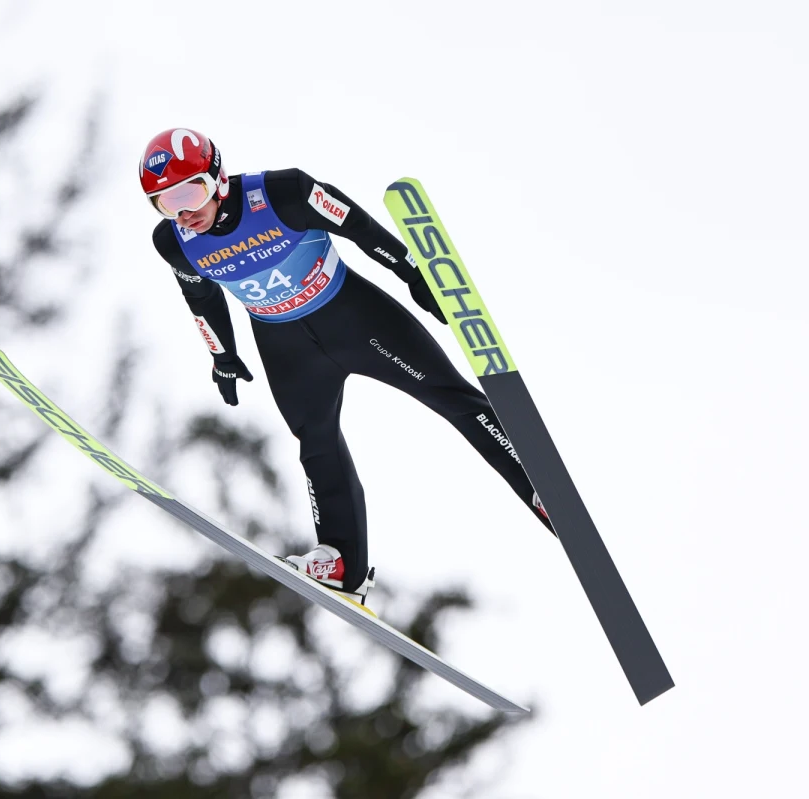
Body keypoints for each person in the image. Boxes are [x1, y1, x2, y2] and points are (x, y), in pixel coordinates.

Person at [142, 127, 551, 607]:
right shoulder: (175, 242)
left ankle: (538, 485)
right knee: (315, 444)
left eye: (191, 192)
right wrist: (222, 355)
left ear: (218, 178)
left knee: (449, 396)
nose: (184, 211)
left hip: (354, 318)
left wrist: (412, 273)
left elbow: (356, 224)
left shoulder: (281, 193)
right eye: (166, 202)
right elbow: (200, 297)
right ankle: (342, 561)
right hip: (285, 347)